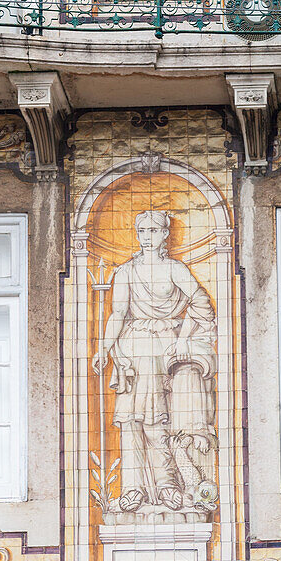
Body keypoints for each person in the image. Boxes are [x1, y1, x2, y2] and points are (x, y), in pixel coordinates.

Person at [92, 209, 216, 514]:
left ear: (165, 234)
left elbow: (200, 303)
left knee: (157, 418)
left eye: (153, 230)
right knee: (131, 419)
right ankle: (133, 488)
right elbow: (118, 314)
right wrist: (104, 348)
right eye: (142, 231)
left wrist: (183, 338)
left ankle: (166, 484)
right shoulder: (125, 272)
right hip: (133, 346)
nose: (147, 237)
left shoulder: (175, 269)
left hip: (163, 346)